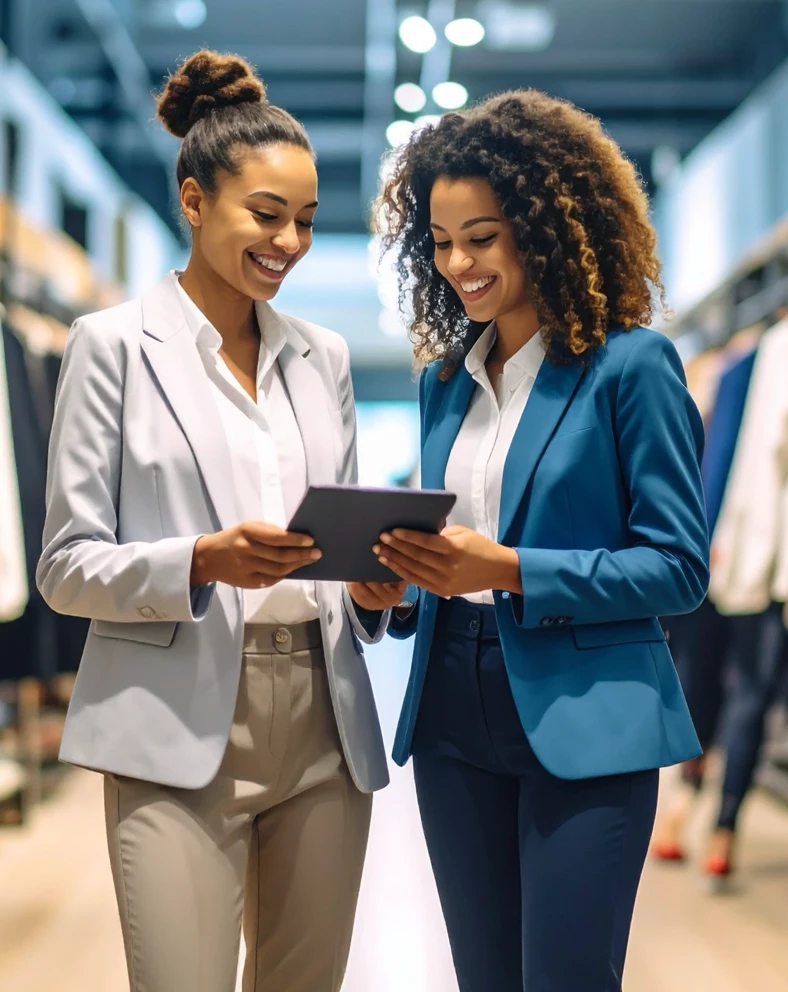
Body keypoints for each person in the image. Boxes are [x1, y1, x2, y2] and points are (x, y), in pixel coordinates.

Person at [36, 50, 404, 992]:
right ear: (195, 202)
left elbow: (346, 548)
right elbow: (67, 565)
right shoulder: (110, 347)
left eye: (308, 222)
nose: (289, 242)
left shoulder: (321, 358)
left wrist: (372, 589)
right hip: (173, 722)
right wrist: (200, 560)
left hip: (325, 720)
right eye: (267, 215)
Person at [374, 90, 710, 992]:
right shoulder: (446, 381)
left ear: (547, 225)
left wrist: (514, 570)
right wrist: (395, 589)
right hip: (451, 711)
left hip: (586, 718)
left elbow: (677, 566)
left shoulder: (630, 366)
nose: (458, 262)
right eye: (441, 242)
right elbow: (446, 553)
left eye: (480, 236)